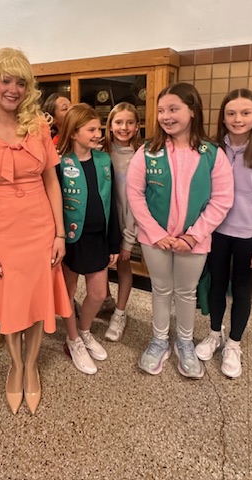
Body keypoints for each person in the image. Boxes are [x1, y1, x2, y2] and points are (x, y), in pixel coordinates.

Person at [0, 48, 71, 414]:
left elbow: (52, 181)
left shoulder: (38, 125)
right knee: (10, 298)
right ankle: (16, 364)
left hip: (40, 224)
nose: (13, 89)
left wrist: (59, 234)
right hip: (2, 227)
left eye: (20, 82)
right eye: (5, 81)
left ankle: (32, 363)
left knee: (37, 298)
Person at [127, 82, 233, 379]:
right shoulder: (148, 151)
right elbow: (135, 194)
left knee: (186, 292)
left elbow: (222, 199)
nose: (165, 116)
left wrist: (193, 235)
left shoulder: (212, 154)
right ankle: (159, 340)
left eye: (173, 109)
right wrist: (156, 233)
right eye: (161, 110)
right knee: (161, 289)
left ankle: (184, 342)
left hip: (194, 240)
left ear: (192, 110)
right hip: (155, 239)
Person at [195, 89, 252, 377]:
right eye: (231, 113)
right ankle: (214, 333)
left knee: (242, 288)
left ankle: (234, 344)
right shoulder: (212, 150)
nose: (238, 119)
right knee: (216, 284)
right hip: (217, 231)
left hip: (251, 234)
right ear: (222, 117)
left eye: (245, 113)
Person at [57, 104, 120, 375]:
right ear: (74, 132)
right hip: (71, 241)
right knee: (68, 294)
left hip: (98, 239)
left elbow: (112, 202)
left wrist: (114, 242)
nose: (98, 134)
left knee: (98, 293)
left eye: (99, 128)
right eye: (91, 129)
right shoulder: (60, 163)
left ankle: (84, 330)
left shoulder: (104, 160)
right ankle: (72, 340)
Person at [102, 102, 141, 342]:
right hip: (103, 224)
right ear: (110, 125)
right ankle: (105, 299)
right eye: (118, 122)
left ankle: (120, 312)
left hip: (126, 223)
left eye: (129, 122)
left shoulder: (140, 157)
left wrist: (128, 238)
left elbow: (134, 202)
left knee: (124, 266)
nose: (124, 127)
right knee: (100, 265)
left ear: (137, 126)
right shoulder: (100, 152)